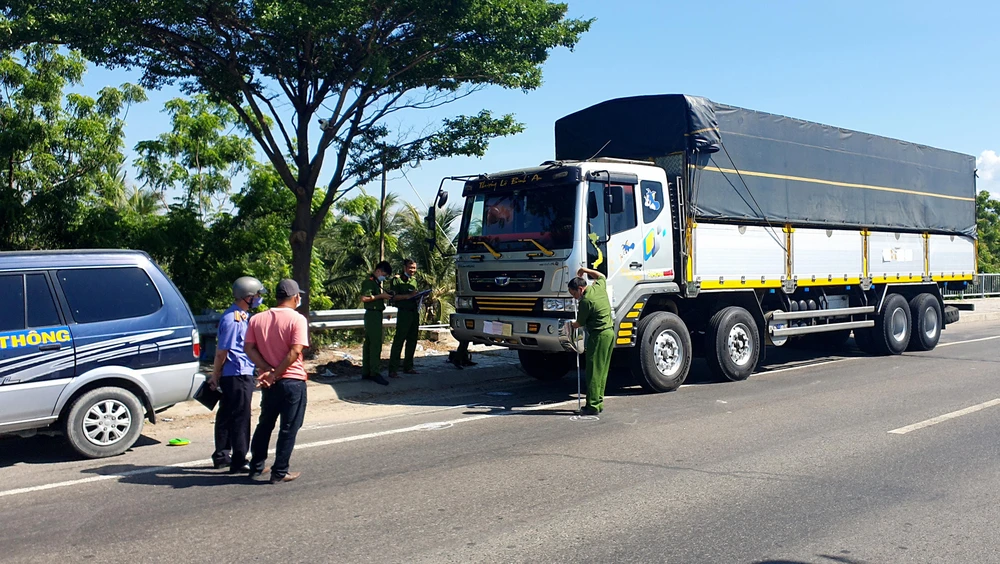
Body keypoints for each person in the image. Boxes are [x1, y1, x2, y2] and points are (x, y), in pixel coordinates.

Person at [245, 279, 310, 484]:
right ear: (295, 297)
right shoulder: (297, 319)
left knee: (265, 423)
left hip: (269, 382)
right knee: (289, 427)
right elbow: (295, 351)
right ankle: (280, 471)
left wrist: (267, 369)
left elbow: (249, 348)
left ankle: (256, 466)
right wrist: (275, 373)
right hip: (292, 380)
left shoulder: (257, 319)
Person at [208, 276, 265, 473]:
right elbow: (222, 351)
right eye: (257, 295)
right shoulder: (233, 319)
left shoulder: (241, 316)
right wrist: (215, 375)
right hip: (238, 374)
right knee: (240, 417)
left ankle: (222, 455)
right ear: (247, 297)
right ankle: (239, 459)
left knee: (226, 414)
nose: (259, 299)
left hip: (236, 373)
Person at [567, 266, 614, 416]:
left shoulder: (586, 301)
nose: (574, 297)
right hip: (610, 333)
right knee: (602, 371)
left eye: (574, 293)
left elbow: (579, 323)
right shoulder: (598, 288)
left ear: (580, 289)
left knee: (593, 372)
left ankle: (592, 406)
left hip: (598, 336)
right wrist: (585, 270)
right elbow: (601, 276)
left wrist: (568, 325)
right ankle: (598, 402)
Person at [359, 261, 393, 386]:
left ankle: (367, 371)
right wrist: (381, 296)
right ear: (378, 271)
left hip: (375, 314)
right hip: (372, 314)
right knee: (375, 344)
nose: (384, 277)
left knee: (369, 344)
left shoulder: (375, 283)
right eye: (384, 274)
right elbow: (364, 298)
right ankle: (374, 372)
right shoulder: (369, 282)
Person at [388, 258, 421, 378]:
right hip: (404, 313)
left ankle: (408, 366)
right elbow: (393, 297)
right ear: (405, 268)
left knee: (412, 340)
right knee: (399, 340)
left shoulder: (414, 281)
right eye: (410, 268)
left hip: (414, 312)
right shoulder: (397, 280)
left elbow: (414, 295)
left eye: (414, 268)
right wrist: (408, 296)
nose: (413, 270)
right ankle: (393, 369)